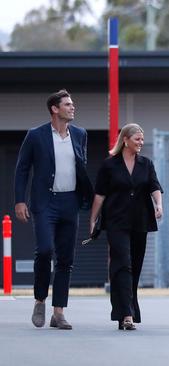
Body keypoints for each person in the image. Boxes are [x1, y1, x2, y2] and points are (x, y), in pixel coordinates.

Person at [14, 89, 94, 330]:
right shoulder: (36, 135)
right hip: (44, 202)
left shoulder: (80, 134)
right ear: (54, 109)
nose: (72, 107)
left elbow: (82, 166)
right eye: (68, 104)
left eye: (72, 104)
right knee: (45, 250)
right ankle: (40, 300)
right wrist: (19, 200)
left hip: (70, 202)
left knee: (66, 258)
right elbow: (22, 169)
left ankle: (58, 312)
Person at [89, 123, 163, 330]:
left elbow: (154, 186)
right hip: (116, 221)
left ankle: (127, 309)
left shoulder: (146, 164)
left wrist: (159, 205)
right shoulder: (109, 165)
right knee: (122, 264)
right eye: (137, 139)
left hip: (140, 220)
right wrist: (93, 219)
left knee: (135, 266)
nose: (141, 142)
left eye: (142, 138)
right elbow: (100, 194)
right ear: (125, 140)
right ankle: (126, 314)